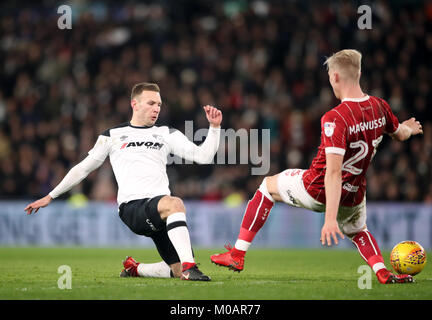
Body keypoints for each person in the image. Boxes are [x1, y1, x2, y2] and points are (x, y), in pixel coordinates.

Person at [211, 49, 423, 284]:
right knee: (358, 230)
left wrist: (330, 219)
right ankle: (383, 272)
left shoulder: (335, 118)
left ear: (334, 77)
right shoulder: (380, 107)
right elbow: (400, 134)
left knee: (266, 186)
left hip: (318, 188)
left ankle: (237, 254)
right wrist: (409, 128)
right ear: (359, 73)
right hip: (354, 193)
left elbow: (332, 173)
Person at [25, 82, 223, 281]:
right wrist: (51, 195)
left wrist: (214, 128)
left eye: (159, 105)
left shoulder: (166, 133)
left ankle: (136, 269)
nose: (156, 109)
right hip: (133, 208)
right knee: (175, 204)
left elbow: (203, 156)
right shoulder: (112, 136)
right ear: (134, 104)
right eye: (151, 103)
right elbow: (83, 168)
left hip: (160, 211)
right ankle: (191, 268)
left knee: (176, 269)